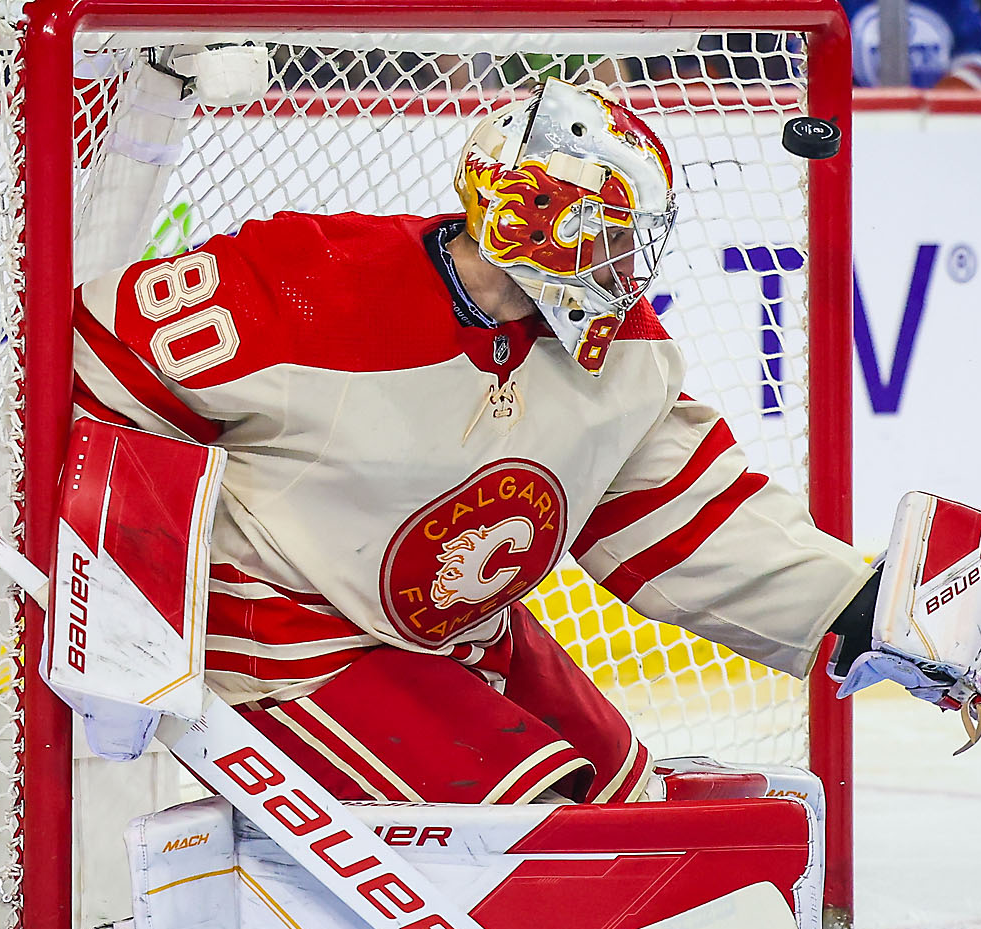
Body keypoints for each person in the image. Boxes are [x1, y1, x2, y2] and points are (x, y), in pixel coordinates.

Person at [70, 78, 880, 809]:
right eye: (611, 236)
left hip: (465, 639)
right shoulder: (312, 284)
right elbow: (95, 358)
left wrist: (861, 607)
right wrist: (120, 618)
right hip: (288, 642)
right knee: (535, 836)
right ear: (538, 217)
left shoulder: (619, 355)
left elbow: (691, 519)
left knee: (627, 812)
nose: (630, 267)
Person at [844, 0, 981, 89]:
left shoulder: (954, 4)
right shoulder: (843, 4)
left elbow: (980, 61)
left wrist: (942, 100)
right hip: (862, 124)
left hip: (938, 127)